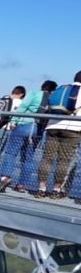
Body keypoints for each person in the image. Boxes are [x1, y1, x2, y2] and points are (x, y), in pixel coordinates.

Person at [0, 83, 49, 193]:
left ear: (42, 86)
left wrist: (14, 121)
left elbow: (23, 107)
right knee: (28, 158)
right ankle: (22, 185)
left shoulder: (34, 93)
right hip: (37, 130)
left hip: (24, 125)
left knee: (11, 153)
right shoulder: (51, 99)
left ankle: (5, 178)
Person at [36, 71, 81, 199]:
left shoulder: (62, 88)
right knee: (64, 160)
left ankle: (41, 188)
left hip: (53, 126)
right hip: (73, 129)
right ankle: (56, 190)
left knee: (47, 158)